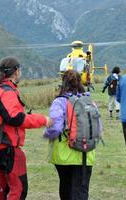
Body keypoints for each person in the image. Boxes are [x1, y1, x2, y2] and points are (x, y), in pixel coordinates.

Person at [0, 57, 52, 200]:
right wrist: (43, 119)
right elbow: (16, 118)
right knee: (19, 188)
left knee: (1, 186)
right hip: (8, 147)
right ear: (16, 71)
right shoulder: (6, 91)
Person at [44, 70, 98, 200]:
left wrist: (46, 133)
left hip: (63, 155)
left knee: (66, 188)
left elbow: (55, 128)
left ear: (63, 83)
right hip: (86, 153)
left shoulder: (59, 102)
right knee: (81, 190)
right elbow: (98, 128)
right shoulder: (89, 101)